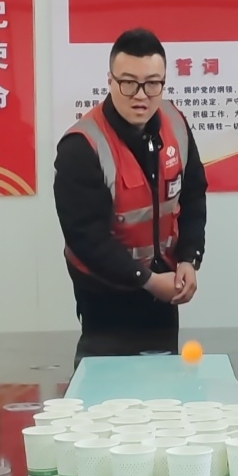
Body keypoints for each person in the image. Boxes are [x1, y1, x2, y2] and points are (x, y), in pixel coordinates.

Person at [53, 28, 208, 331]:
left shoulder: (175, 122)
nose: (140, 95)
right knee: (104, 363)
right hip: (104, 294)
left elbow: (193, 194)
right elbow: (86, 237)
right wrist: (147, 281)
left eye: (152, 83)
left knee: (165, 361)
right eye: (128, 83)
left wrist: (189, 258)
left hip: (165, 285)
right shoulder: (81, 146)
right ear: (110, 81)